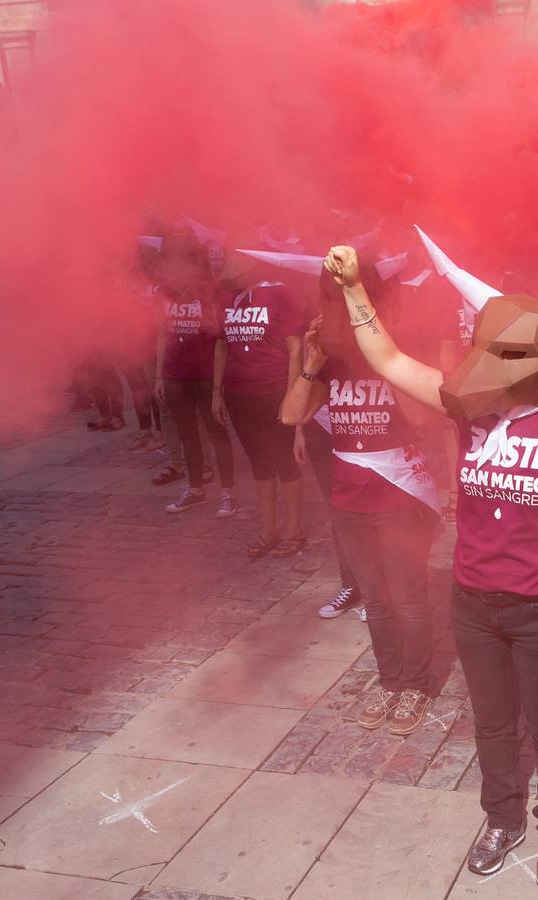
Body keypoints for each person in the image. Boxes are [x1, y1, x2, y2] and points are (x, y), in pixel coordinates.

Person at [322, 239, 538, 889]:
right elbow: (386, 358)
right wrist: (354, 287)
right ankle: (501, 818)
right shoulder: (468, 412)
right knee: (491, 723)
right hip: (474, 602)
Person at [280, 258, 439, 733]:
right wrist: (312, 362)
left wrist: (381, 356)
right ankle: (390, 682)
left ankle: (416, 685)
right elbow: (291, 415)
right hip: (349, 499)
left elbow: (424, 416)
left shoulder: (398, 349)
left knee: (408, 597)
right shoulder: (328, 360)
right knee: (376, 598)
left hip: (399, 493)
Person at [215, 274, 307, 556]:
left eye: (232, 256)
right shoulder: (227, 296)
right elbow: (220, 345)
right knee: (259, 462)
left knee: (284, 460)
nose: (225, 265)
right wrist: (216, 391)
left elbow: (295, 348)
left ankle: (294, 530)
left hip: (275, 389)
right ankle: (268, 531)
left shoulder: (280, 292)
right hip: (238, 394)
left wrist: (292, 396)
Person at [153, 231, 237, 517]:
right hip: (176, 375)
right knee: (188, 435)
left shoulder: (211, 290)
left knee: (217, 433)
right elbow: (163, 334)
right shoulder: (165, 292)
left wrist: (217, 387)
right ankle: (196, 488)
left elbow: (221, 339)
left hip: (205, 375)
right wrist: (160, 376)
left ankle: (228, 493)